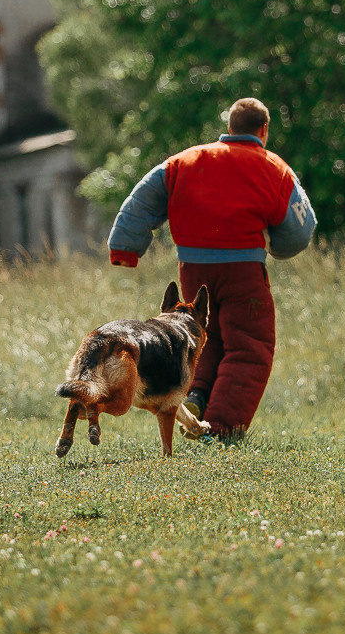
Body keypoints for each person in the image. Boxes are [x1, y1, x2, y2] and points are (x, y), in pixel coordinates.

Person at [107, 97, 317, 439]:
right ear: (263, 130)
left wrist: (125, 250)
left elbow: (140, 201)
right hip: (243, 270)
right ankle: (218, 429)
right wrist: (278, 248)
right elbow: (300, 229)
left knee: (204, 338)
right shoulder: (274, 166)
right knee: (250, 347)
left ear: (229, 127)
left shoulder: (185, 161)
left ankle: (198, 395)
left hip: (193, 269)